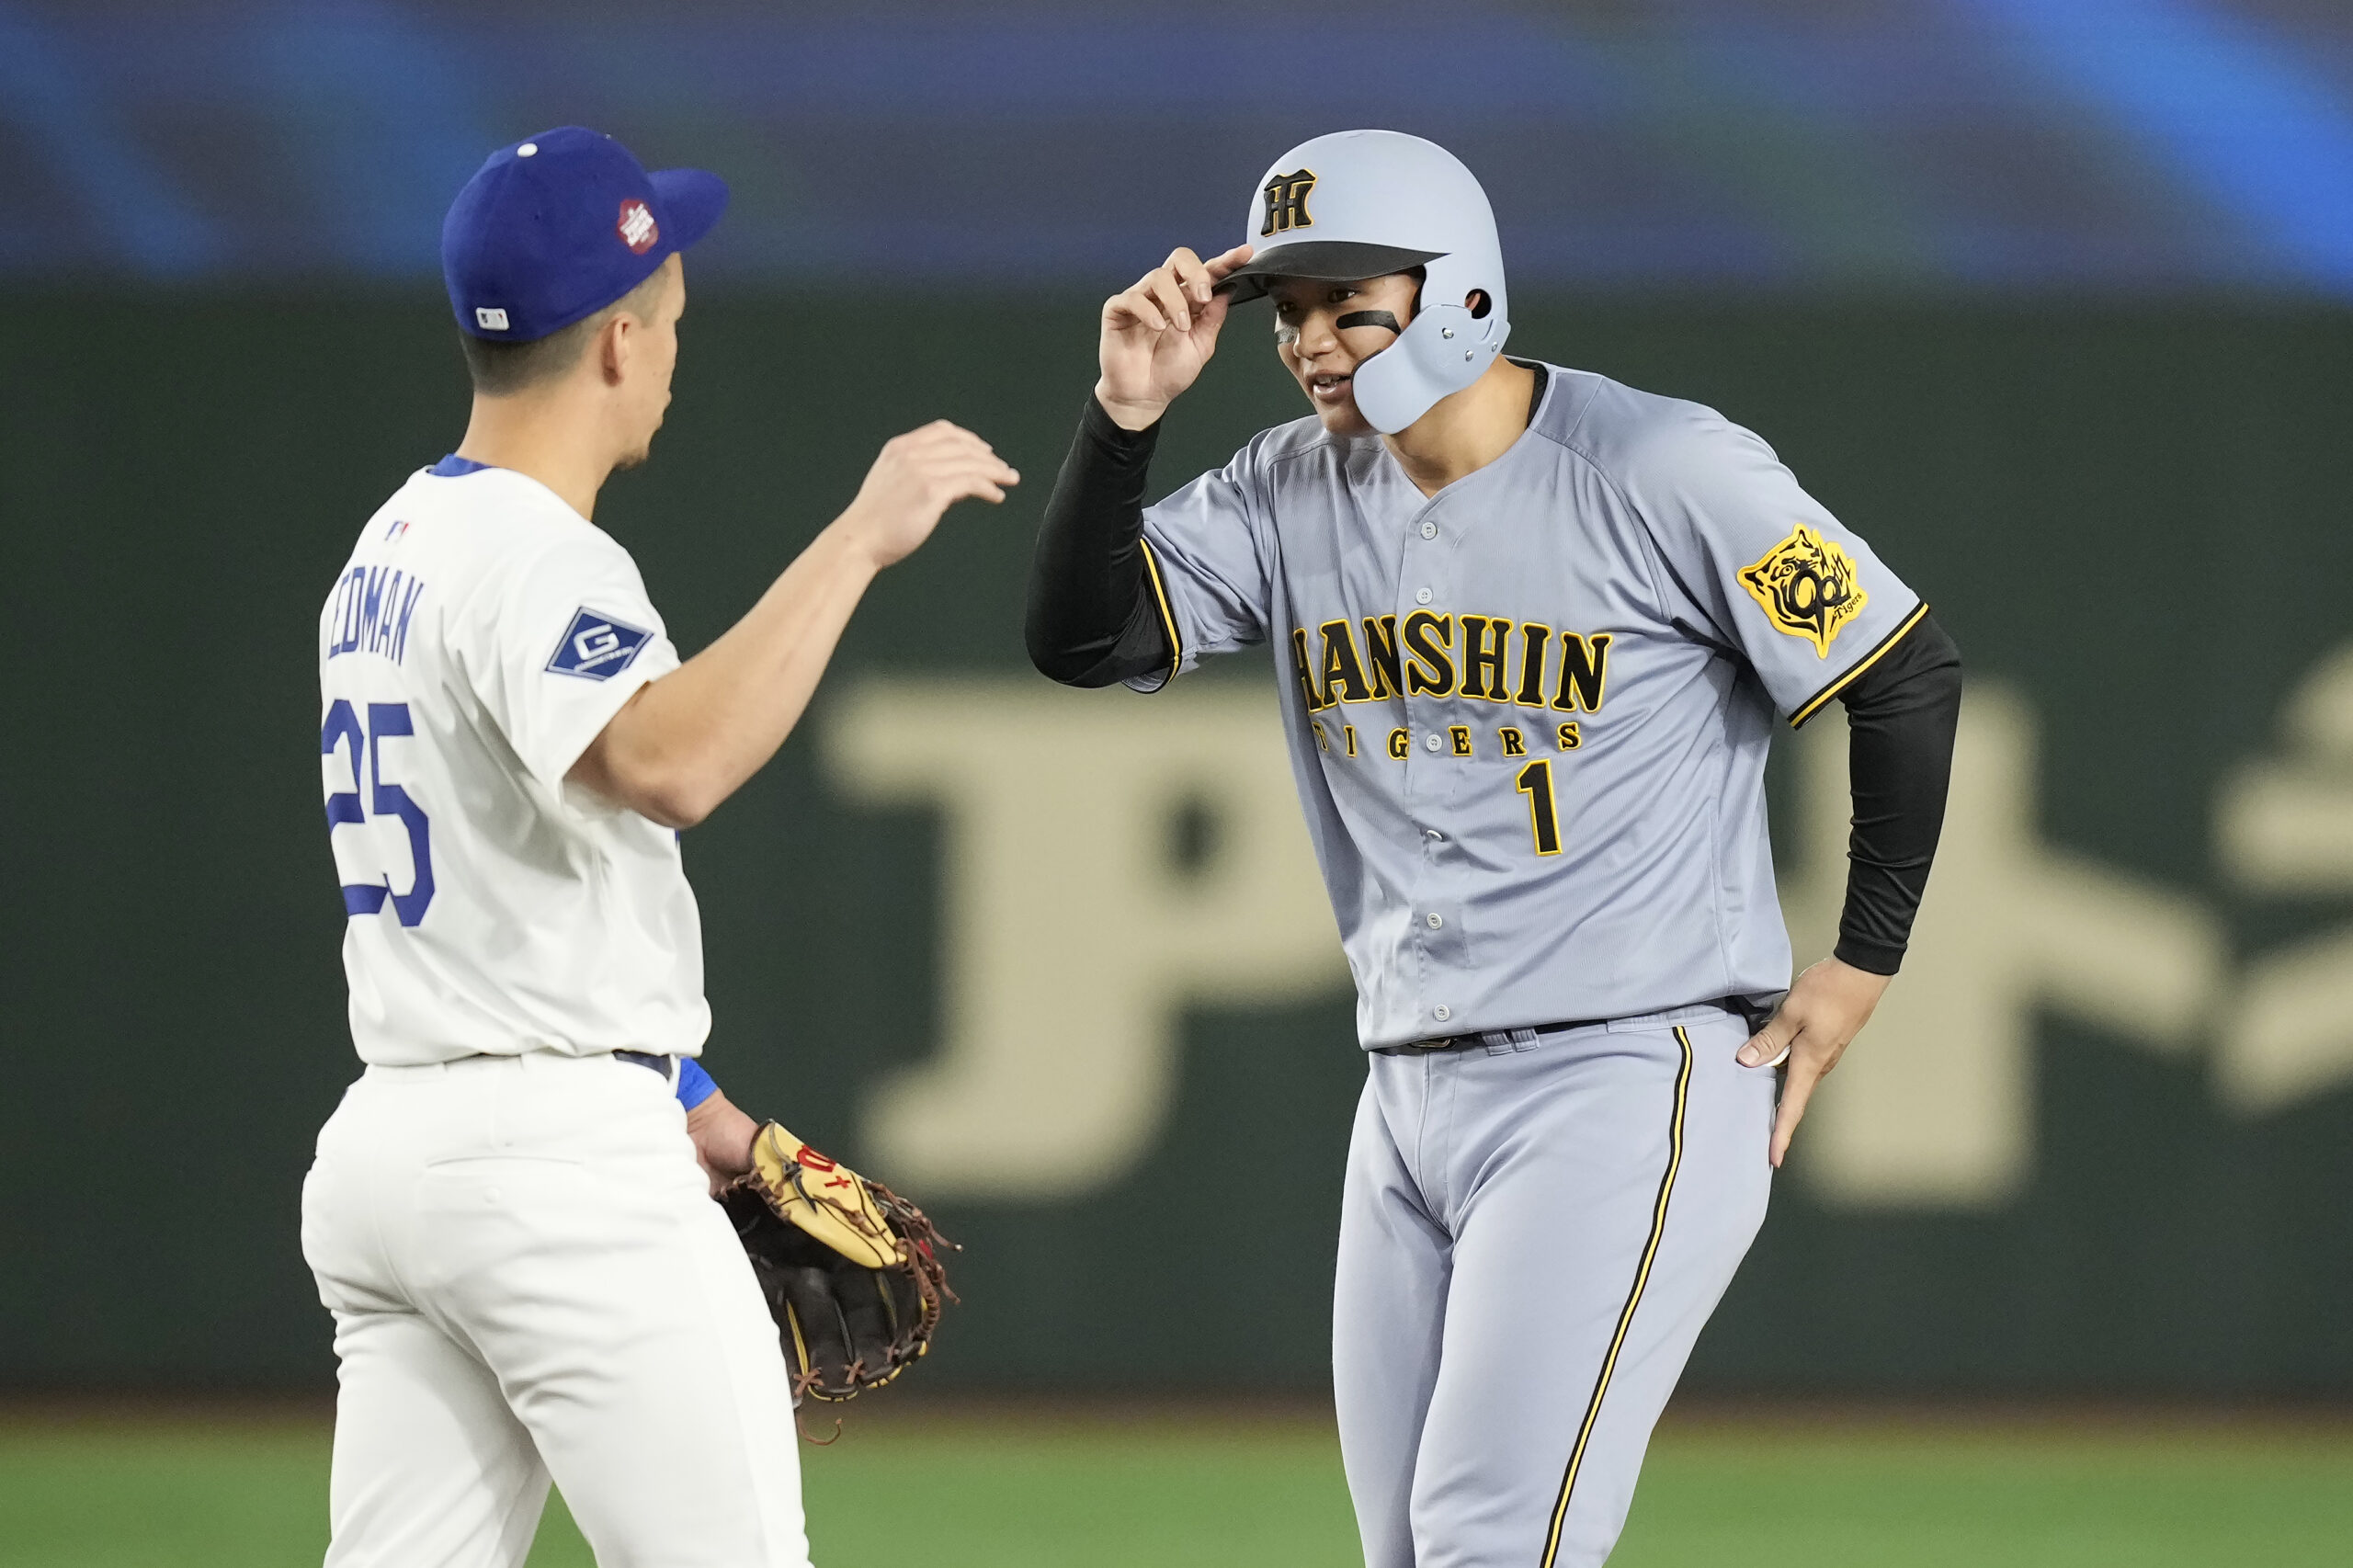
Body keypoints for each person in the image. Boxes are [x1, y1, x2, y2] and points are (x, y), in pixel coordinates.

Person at [1025, 129, 1961, 1568]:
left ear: (1459, 293)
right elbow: (1086, 638)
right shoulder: (1289, 487)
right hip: (1404, 1093)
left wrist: (1861, 966)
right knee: (1415, 1553)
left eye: (1349, 303)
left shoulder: (1665, 464)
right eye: (1288, 311)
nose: (1312, 343)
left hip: (1619, 1065)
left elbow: (1899, 671)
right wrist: (1123, 414)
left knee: (1488, 1541)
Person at [302, 126, 1017, 1567]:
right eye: (673, 323)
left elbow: (515, 894)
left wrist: (687, 1097)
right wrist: (861, 540)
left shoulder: (386, 549)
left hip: (396, 1155)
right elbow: (670, 763)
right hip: (553, 1180)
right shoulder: (540, 552)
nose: (677, 355)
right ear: (618, 344)